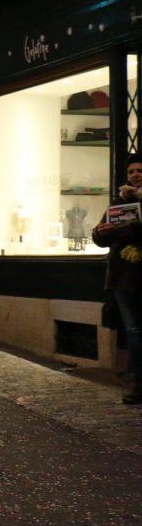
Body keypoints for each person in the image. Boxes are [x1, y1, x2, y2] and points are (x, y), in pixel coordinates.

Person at [91, 154, 142, 405]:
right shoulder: (120, 202)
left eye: (139, 170)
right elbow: (100, 236)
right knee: (134, 332)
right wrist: (100, 233)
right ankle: (139, 386)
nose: (135, 175)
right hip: (123, 277)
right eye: (131, 171)